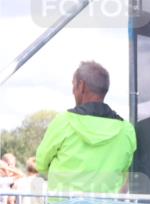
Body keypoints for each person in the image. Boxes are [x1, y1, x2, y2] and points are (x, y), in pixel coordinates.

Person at [36, 61, 136, 194]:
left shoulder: (63, 122)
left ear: (81, 86)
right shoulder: (126, 130)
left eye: (73, 85)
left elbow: (41, 164)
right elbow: (125, 172)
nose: (72, 91)